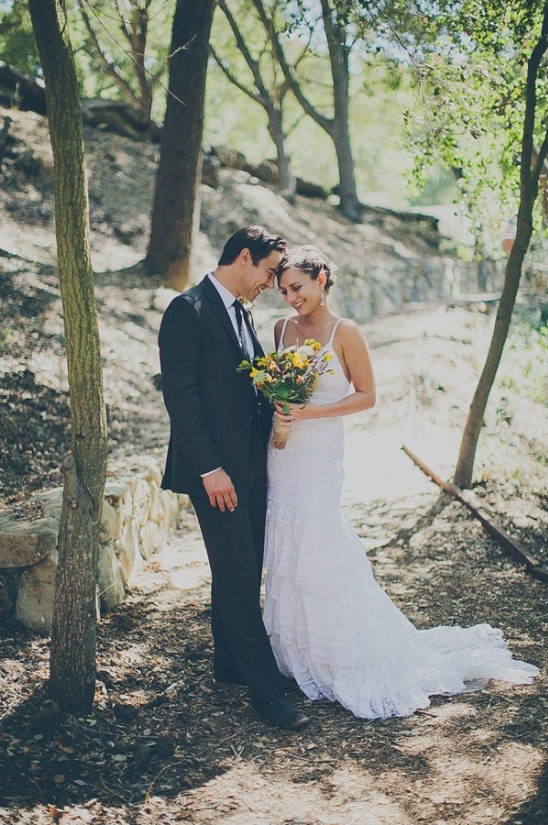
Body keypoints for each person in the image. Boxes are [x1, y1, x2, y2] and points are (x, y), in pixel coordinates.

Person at [263, 244, 539, 719]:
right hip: (283, 453)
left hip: (322, 454)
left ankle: (342, 653)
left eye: (298, 287)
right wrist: (283, 406)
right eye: (284, 289)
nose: (290, 298)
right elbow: (278, 384)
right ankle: (297, 655)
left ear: (322, 279)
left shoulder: (346, 332)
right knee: (286, 542)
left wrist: (314, 412)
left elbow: (367, 396)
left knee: (321, 541)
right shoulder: (280, 329)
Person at [158, 226, 309, 730]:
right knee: (242, 576)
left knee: (241, 568)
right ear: (244, 258)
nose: (271, 283)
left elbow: (246, 389)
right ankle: (266, 690)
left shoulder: (242, 312)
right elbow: (182, 399)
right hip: (214, 474)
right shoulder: (188, 310)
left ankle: (230, 666)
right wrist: (209, 469)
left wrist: (282, 405)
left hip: (249, 468)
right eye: (269, 272)